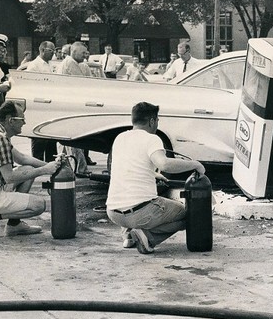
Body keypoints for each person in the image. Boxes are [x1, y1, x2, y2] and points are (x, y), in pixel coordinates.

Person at [106, 101, 205, 254]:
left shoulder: (120, 138)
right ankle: (147, 237)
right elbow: (164, 164)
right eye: (157, 120)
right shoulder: (152, 139)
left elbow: (125, 168)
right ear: (152, 121)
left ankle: (128, 237)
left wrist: (153, 174)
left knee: (130, 198)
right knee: (188, 214)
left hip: (113, 213)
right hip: (140, 213)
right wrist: (195, 164)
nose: (157, 124)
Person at [0, 101, 61, 243]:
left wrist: (51, 166)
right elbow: (9, 177)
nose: (24, 123)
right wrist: (44, 170)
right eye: (22, 119)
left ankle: (14, 225)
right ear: (11, 121)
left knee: (28, 169)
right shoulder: (0, 139)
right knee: (39, 205)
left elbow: (22, 158)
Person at [59, 42, 92, 175]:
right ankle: (80, 168)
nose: (85, 55)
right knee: (73, 139)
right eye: (83, 53)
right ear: (74, 52)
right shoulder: (70, 64)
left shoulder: (70, 63)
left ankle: (63, 166)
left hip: (66, 104)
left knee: (64, 141)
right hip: (70, 105)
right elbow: (83, 84)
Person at [25, 41, 58, 161]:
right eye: (51, 51)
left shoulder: (49, 65)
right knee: (39, 139)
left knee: (50, 139)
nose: (53, 53)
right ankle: (37, 165)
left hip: (50, 106)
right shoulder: (34, 66)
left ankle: (51, 165)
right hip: (39, 106)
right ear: (42, 50)